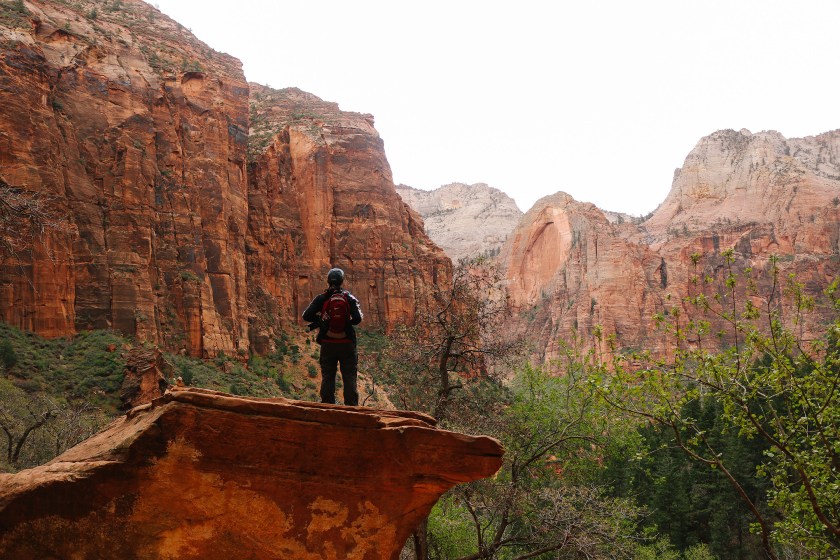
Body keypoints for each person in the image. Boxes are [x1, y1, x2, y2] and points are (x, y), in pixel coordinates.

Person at [302, 268, 363, 406]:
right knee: (349, 376)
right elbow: (358, 319)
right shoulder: (348, 297)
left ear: (328, 281)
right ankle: (352, 409)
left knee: (328, 376)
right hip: (347, 343)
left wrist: (322, 319)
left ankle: (327, 406)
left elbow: (306, 316)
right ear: (342, 281)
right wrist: (347, 322)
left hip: (328, 342)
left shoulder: (322, 297)